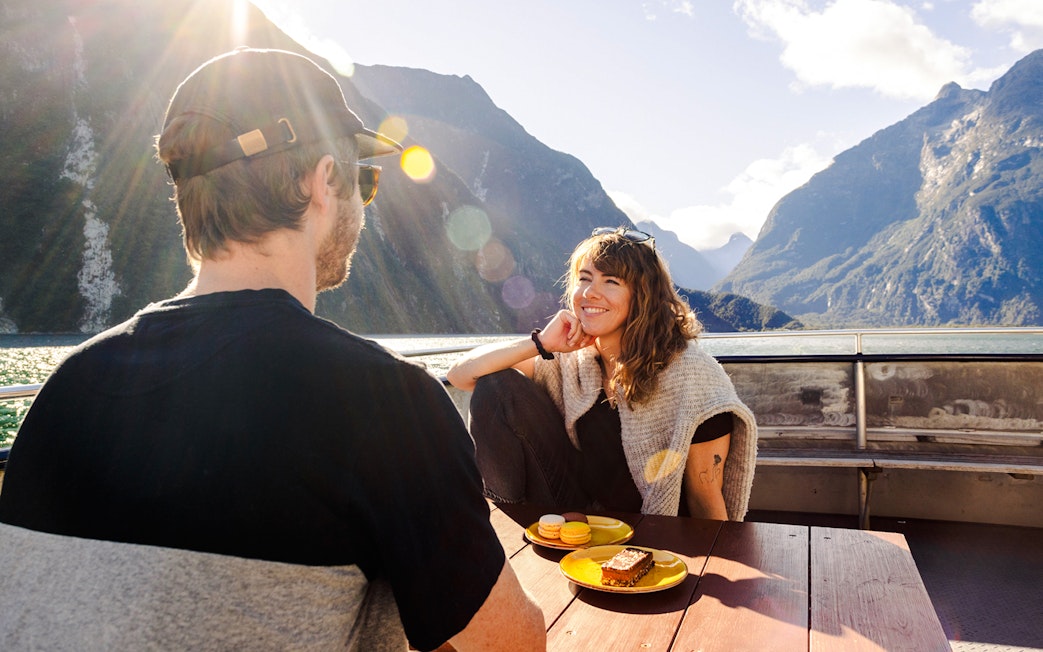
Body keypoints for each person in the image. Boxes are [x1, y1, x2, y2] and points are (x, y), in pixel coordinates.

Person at [0, 48, 544, 651]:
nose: (363, 206)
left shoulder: (66, 389)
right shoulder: (387, 403)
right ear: (323, 181)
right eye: (363, 180)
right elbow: (514, 645)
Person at [447, 227, 757, 521]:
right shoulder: (570, 361)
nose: (590, 293)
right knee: (498, 386)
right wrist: (540, 343)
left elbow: (706, 501)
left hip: (659, 535)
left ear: (643, 295)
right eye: (584, 278)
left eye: (611, 281)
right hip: (579, 521)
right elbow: (463, 376)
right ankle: (509, 526)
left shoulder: (692, 377)